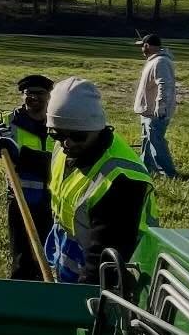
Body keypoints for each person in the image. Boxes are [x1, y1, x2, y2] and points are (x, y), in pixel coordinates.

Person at [43, 77, 157, 286]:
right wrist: (21, 155)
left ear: (96, 127)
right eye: (56, 135)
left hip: (114, 269)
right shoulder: (68, 147)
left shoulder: (121, 181)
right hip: (72, 250)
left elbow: (104, 260)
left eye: (77, 136)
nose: (66, 143)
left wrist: (81, 298)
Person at [0, 73, 54, 280]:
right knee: (22, 259)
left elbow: (56, 163)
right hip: (21, 198)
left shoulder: (58, 122)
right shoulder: (7, 121)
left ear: (49, 96)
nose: (33, 98)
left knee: (48, 257)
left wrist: (21, 155)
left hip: (53, 201)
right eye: (28, 94)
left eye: (39, 94)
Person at [133, 32, 179, 178]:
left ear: (147, 46)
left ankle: (167, 172)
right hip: (148, 110)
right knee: (147, 139)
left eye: (143, 46)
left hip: (156, 111)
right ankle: (146, 167)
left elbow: (164, 85)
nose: (142, 50)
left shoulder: (161, 62)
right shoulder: (154, 61)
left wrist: (161, 105)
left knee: (156, 141)